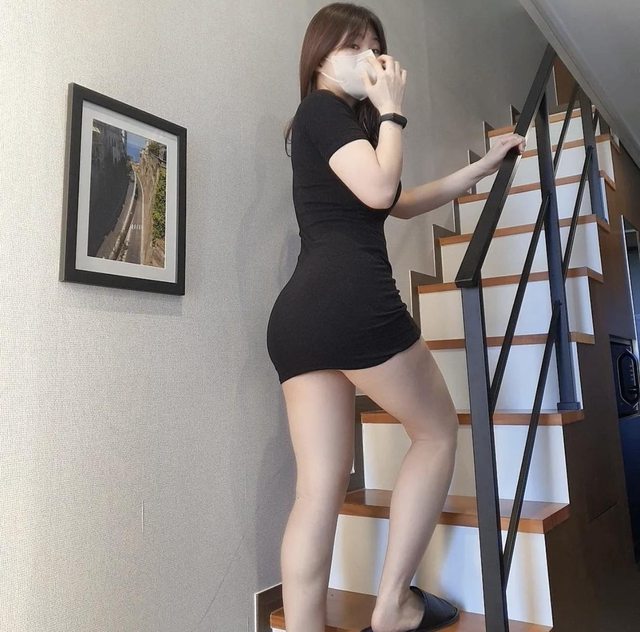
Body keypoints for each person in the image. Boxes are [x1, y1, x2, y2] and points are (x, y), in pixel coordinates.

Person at [266, 3, 526, 631]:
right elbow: (383, 190)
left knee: (318, 489)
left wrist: (481, 167)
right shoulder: (323, 110)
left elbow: (401, 202)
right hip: (353, 303)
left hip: (300, 319)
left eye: (374, 46)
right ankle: (392, 606)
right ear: (319, 54)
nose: (369, 58)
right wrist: (392, 111)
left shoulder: (326, 127)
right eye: (353, 45)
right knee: (436, 433)